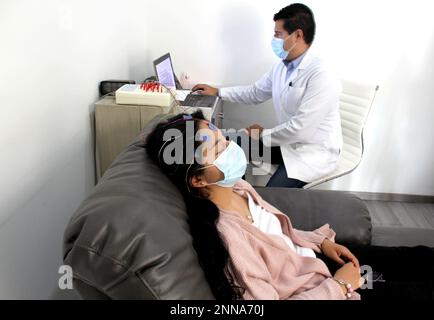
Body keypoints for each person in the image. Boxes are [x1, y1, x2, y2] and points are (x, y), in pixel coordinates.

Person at [145, 110, 434, 300]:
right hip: (321, 289)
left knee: (415, 257)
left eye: (223, 138)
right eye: (219, 148)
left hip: (316, 259)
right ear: (196, 180)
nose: (232, 146)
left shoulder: (239, 188)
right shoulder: (230, 242)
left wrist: (321, 242)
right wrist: (341, 286)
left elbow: (282, 238)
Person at [192, 3, 342, 188]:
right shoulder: (282, 66)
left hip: (313, 154)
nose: (274, 39)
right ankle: (238, 192)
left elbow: (301, 129)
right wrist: (219, 92)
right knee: (229, 146)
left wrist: (264, 134)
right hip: (285, 142)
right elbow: (255, 92)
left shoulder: (322, 74)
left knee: (271, 195)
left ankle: (253, 205)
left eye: (278, 34)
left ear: (298, 35)